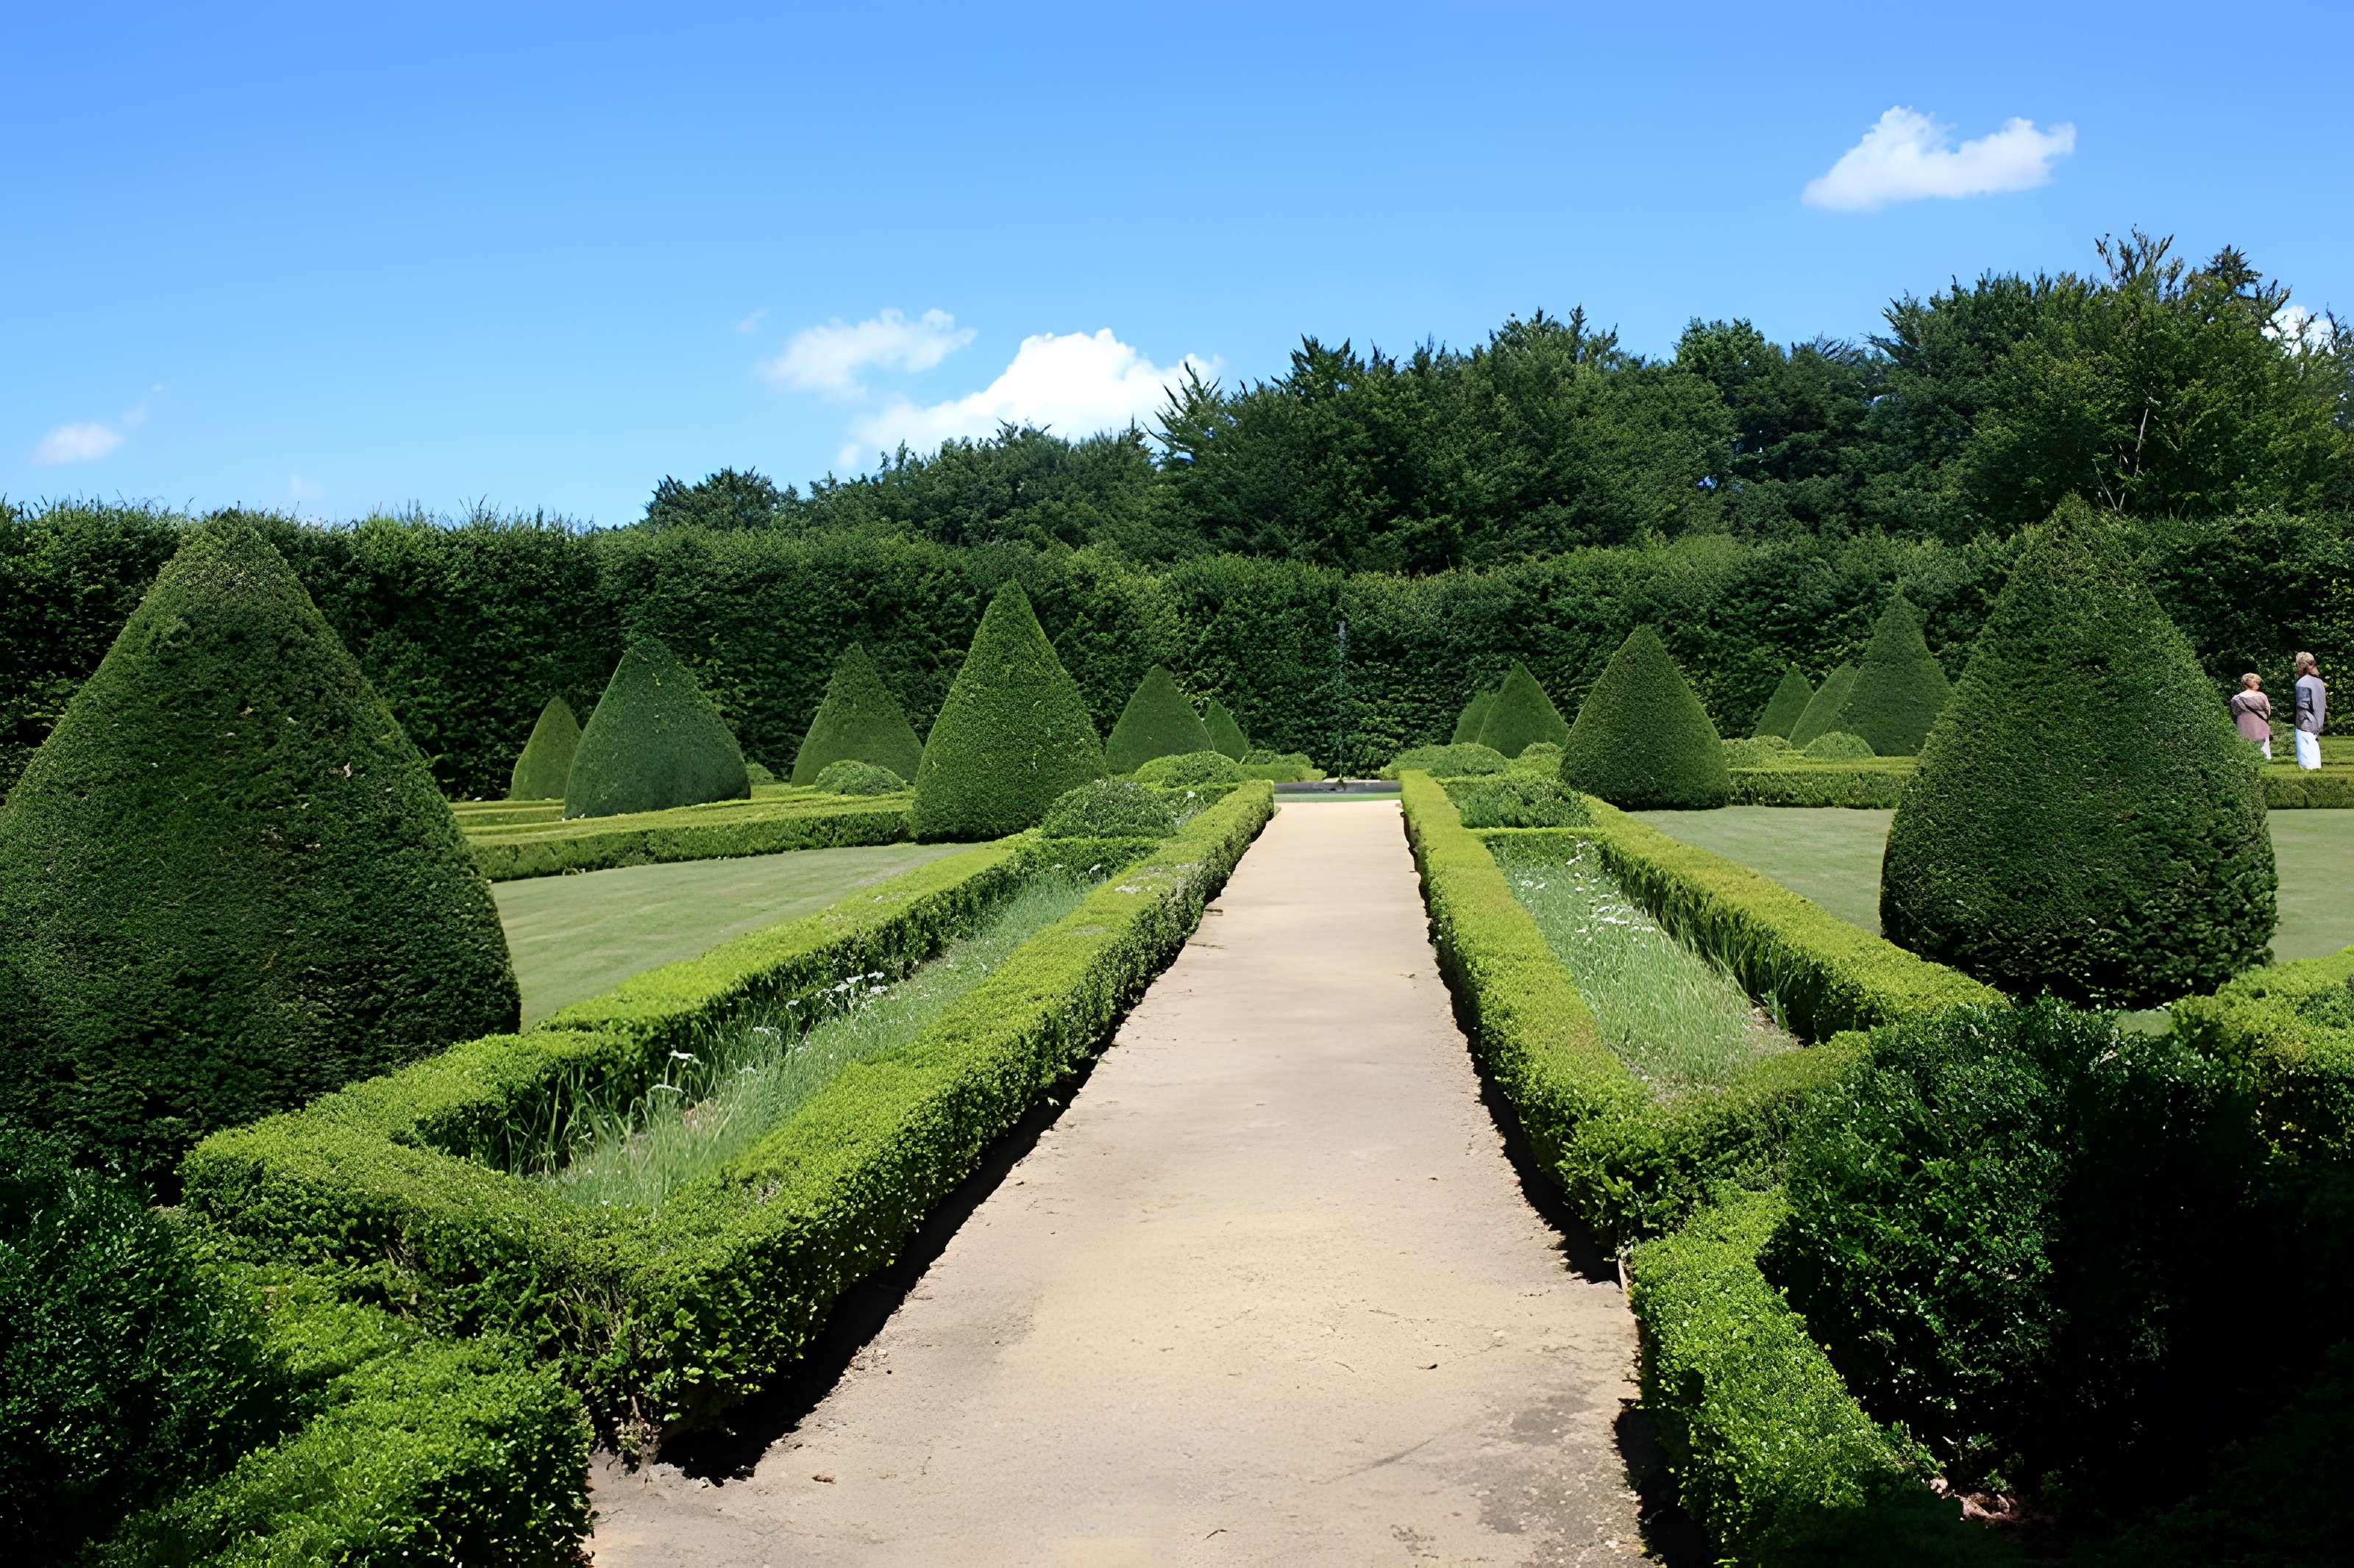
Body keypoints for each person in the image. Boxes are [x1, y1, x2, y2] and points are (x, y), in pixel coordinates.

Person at [2293, 652, 2328, 771]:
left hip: (2305, 725)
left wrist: (2300, 723)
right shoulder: (2319, 682)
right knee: (2315, 761)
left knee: (2306, 765)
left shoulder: (2302, 683)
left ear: (2301, 666)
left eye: (2297, 665)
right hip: (2317, 724)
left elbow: (2303, 707)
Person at [2230, 673, 2273, 758]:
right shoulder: (2261, 696)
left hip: (2243, 726)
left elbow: (2234, 714)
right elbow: (2268, 712)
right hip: (2261, 726)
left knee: (2245, 751)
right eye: (2257, 682)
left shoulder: (2236, 699)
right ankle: (2265, 761)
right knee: (2264, 750)